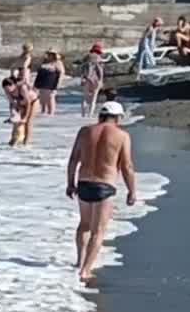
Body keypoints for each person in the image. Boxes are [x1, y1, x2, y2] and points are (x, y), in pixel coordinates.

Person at [66, 100, 138, 284]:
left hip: (83, 183)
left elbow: (74, 159)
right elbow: (127, 166)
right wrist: (132, 191)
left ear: (101, 115)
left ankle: (79, 262)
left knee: (84, 225)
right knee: (98, 231)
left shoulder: (85, 131)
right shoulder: (122, 136)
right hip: (104, 186)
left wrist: (70, 183)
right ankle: (85, 271)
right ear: (119, 118)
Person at [4, 68, 33, 147]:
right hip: (21, 103)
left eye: (9, 88)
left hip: (32, 102)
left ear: (13, 85)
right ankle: (14, 140)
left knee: (27, 122)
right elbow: (12, 103)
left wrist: (25, 117)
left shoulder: (22, 88)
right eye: (6, 89)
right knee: (16, 122)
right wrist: (12, 116)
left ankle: (26, 142)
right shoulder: (7, 90)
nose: (8, 91)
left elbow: (28, 103)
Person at [33, 49, 66, 115]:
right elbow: (39, 73)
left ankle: (51, 114)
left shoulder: (58, 62)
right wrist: (35, 84)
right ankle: (43, 112)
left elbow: (62, 73)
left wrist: (58, 84)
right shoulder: (44, 62)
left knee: (50, 98)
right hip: (41, 83)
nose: (50, 55)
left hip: (51, 84)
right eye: (49, 54)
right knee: (42, 98)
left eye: (51, 54)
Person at [81, 43, 107, 116]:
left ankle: (83, 114)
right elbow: (100, 71)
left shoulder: (86, 57)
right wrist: (101, 80)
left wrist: (82, 78)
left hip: (86, 79)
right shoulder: (99, 58)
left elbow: (82, 69)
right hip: (96, 80)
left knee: (85, 98)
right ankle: (90, 114)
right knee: (93, 98)